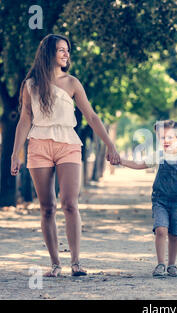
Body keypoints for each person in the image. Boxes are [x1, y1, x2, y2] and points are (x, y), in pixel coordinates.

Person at [10, 34, 121, 277]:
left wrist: (110, 145)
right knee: (47, 207)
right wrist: (15, 153)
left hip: (68, 143)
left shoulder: (72, 83)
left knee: (70, 204)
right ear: (49, 53)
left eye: (67, 50)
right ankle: (55, 265)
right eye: (61, 50)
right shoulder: (30, 85)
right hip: (38, 145)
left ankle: (76, 262)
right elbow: (25, 119)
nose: (66, 54)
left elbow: (91, 116)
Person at [120, 120, 177, 277]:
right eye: (162, 137)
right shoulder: (158, 156)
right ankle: (160, 264)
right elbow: (139, 164)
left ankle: (172, 265)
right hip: (160, 200)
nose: (166, 141)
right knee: (161, 229)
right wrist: (121, 161)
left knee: (175, 234)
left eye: (170, 137)